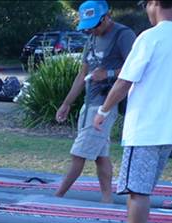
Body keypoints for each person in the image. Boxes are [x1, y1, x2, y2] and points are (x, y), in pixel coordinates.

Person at [93, 0, 172, 223]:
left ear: (154, 3)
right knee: (143, 186)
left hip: (146, 126)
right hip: (171, 127)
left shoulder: (150, 37)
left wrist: (103, 111)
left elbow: (124, 81)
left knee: (138, 190)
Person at [53, 1, 135, 202]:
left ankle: (57, 196)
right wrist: (67, 103)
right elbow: (82, 74)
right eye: (87, 27)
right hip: (89, 103)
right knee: (100, 156)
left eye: (94, 26)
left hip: (105, 105)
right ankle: (107, 200)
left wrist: (108, 73)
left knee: (78, 154)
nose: (91, 30)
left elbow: (135, 68)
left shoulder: (123, 35)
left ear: (106, 17)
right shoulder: (91, 38)